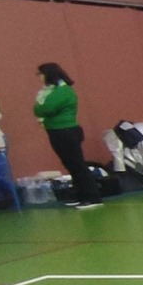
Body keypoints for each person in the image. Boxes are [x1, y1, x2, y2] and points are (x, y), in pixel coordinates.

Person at [32, 63, 101, 209]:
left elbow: (44, 109)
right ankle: (80, 195)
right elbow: (38, 109)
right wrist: (39, 108)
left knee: (77, 164)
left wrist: (39, 107)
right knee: (70, 165)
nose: (39, 77)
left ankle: (92, 197)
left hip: (66, 131)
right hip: (56, 131)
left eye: (40, 74)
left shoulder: (62, 91)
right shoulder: (51, 91)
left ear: (49, 74)